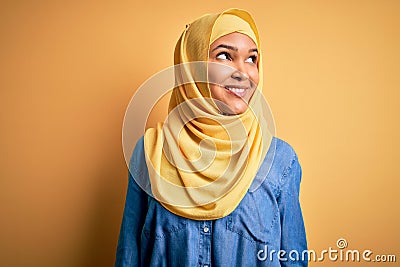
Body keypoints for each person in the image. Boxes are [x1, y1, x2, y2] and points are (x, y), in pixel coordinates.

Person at [116, 8, 307, 267]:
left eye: (252, 59)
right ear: (191, 66)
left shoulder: (280, 161)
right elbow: (129, 257)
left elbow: (293, 261)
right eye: (225, 56)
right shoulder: (150, 151)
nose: (243, 72)